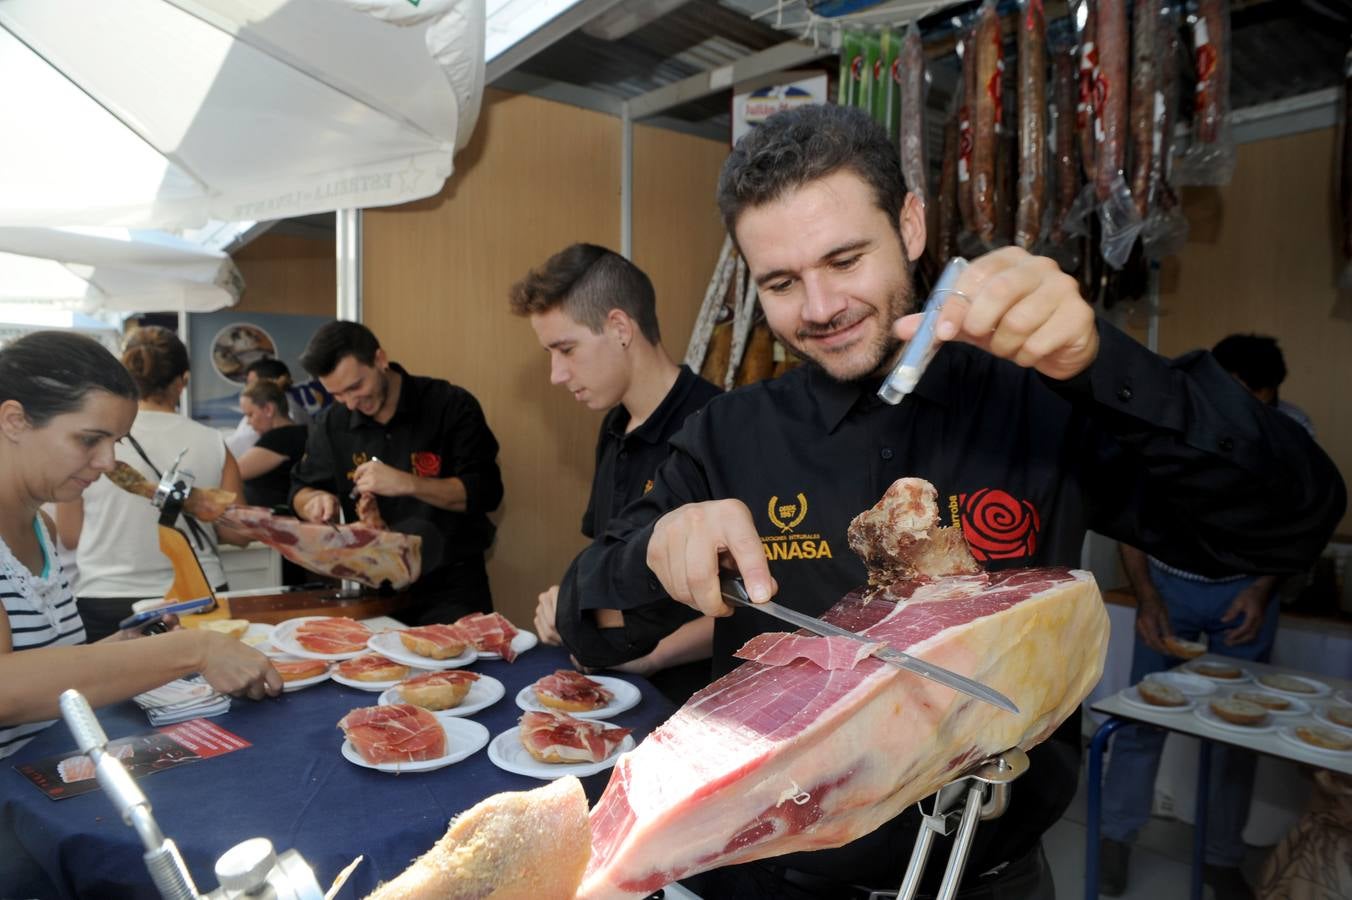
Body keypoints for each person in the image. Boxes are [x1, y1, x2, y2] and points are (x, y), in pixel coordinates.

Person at [564, 104, 1345, 899]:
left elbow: (1291, 523)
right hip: (782, 876)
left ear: (909, 224)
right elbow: (591, 631)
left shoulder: (1039, 401)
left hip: (991, 876)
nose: (821, 305)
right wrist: (651, 555)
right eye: (781, 281)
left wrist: (1100, 361)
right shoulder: (728, 434)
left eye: (845, 258)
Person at [1100, 333, 1315, 900]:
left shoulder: (1293, 434)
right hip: (1169, 588)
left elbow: (1299, 524)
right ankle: (1115, 841)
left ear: (1272, 398)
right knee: (1141, 720)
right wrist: (1147, 596)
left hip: (1244, 594)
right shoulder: (1165, 422)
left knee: (1234, 735)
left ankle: (1221, 859)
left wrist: (1263, 589)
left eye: (1256, 402)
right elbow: (1130, 516)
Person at [0, 331, 279, 765]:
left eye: (116, 442)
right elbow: (6, 690)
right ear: (14, 420)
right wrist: (193, 650)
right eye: (89, 439)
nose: (108, 462)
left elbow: (47, 669)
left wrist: (123, 646)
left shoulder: (43, 528)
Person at [508, 243, 722, 704]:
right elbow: (609, 557)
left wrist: (654, 655)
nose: (556, 375)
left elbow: (754, 599)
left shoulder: (718, 425)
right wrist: (569, 601)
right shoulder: (615, 426)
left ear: (620, 328)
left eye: (566, 349)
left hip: (697, 699)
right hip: (619, 684)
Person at [290, 321, 504, 623]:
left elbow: (485, 492)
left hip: (451, 588)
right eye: (337, 395)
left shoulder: (449, 405)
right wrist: (313, 501)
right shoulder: (332, 423)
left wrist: (407, 483)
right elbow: (299, 489)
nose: (351, 403)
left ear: (379, 359)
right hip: (375, 588)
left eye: (356, 387)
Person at [58, 326, 251, 642]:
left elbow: (69, 536)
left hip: (106, 598)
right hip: (197, 596)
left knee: (113, 690)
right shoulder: (214, 443)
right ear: (183, 381)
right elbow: (238, 533)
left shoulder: (91, 440)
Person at [236, 378, 308, 509]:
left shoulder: (281, 437)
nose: (248, 422)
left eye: (250, 414)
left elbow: (233, 472)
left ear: (269, 409)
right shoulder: (301, 433)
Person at [225, 357, 314, 458]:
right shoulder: (290, 407)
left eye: (252, 383)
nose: (248, 388)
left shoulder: (286, 415)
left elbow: (242, 442)